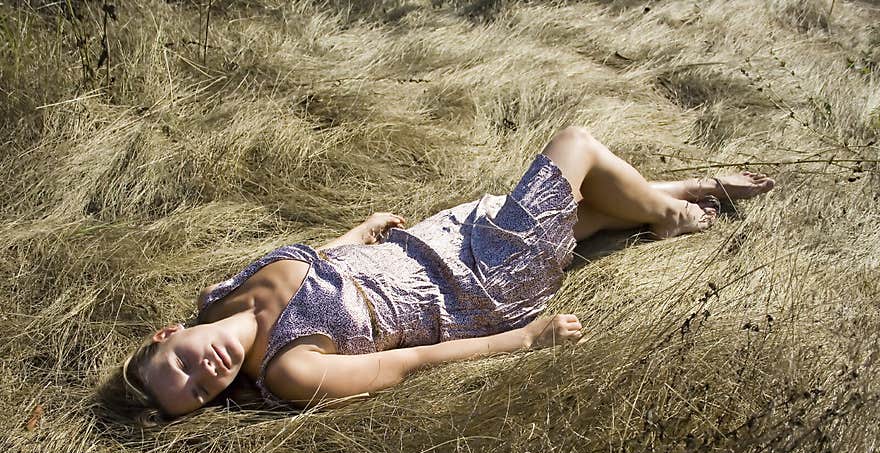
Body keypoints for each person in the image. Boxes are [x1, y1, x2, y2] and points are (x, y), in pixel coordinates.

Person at [99, 126, 774, 424]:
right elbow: (412, 363)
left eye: (181, 365)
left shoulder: (216, 296)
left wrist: (355, 236)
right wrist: (525, 340)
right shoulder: (290, 371)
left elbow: (313, 270)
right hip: (479, 285)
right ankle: (675, 212)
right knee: (576, 146)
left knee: (585, 212)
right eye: (199, 393)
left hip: (439, 239)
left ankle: (685, 189)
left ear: (170, 332)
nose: (205, 373)